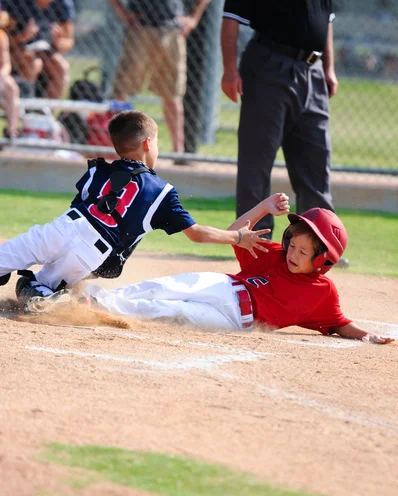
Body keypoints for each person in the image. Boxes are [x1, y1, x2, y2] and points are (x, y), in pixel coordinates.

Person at [0, 110, 269, 312]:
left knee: (8, 259)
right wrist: (238, 237)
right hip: (91, 253)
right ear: (148, 144)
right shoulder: (161, 191)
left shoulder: (98, 169)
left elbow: (80, 205)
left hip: (63, 227)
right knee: (38, 286)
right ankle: (47, 297)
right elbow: (197, 234)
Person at [84, 195, 394, 345]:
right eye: (293, 245)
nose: (293, 254)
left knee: (172, 312)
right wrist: (264, 208)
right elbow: (234, 231)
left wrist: (368, 336)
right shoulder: (273, 254)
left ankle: (103, 308)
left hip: (236, 321)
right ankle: (94, 301)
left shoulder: (322, 294)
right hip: (224, 287)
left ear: (323, 261)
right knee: (167, 287)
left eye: (303, 252)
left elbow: (340, 323)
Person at [221, 1, 349, 267]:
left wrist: (328, 68)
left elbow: (326, 24)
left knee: (316, 164)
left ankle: (319, 245)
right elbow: (230, 19)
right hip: (269, 65)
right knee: (256, 163)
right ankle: (258, 248)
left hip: (313, 70)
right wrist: (230, 70)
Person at [108, 0, 211, 157]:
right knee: (122, 90)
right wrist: (122, 12)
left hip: (172, 29)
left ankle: (178, 152)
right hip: (141, 27)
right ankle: (118, 147)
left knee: (173, 94)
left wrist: (193, 17)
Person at [34, 0, 76, 99]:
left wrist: (58, 41)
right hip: (20, 48)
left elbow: (69, 41)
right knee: (34, 63)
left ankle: (45, 111)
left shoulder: (62, 3)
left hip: (47, 51)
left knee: (61, 67)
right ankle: (23, 109)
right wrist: (24, 36)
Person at [0, 5, 20, 138]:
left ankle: (11, 132)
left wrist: (1, 75)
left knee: (11, 87)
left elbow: (6, 64)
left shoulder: (1, 36)